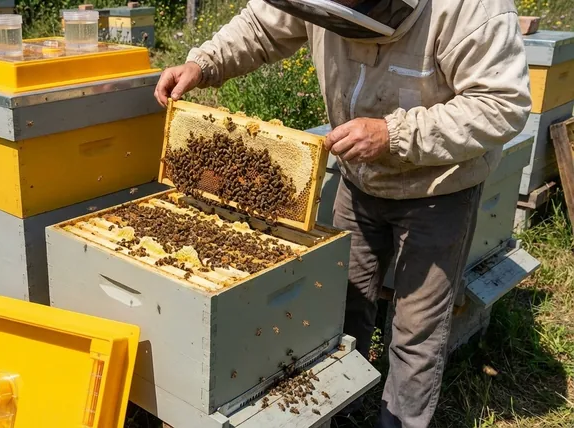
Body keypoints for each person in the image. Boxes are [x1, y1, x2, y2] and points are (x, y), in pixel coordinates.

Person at [154, 0, 531, 426]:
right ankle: (342, 412)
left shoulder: (471, 7)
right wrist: (204, 63)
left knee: (416, 333)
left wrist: (393, 134)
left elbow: (502, 104)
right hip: (357, 180)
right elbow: (262, 24)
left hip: (439, 189)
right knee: (340, 309)